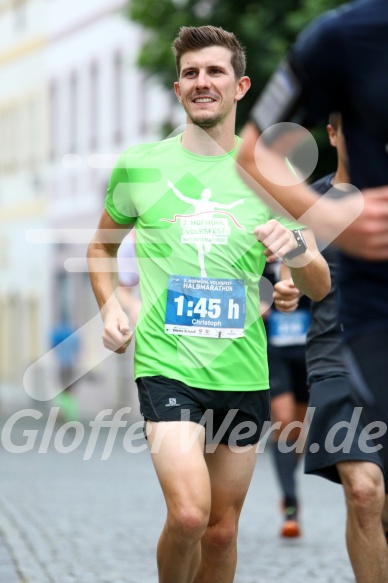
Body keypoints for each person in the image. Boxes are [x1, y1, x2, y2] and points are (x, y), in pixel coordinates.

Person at [87, 25, 330, 583]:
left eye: (215, 71)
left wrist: (294, 249)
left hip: (242, 370)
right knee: (191, 514)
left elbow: (317, 282)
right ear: (178, 89)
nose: (202, 82)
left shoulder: (273, 171)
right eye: (191, 73)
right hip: (166, 365)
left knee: (221, 532)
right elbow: (100, 248)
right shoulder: (142, 165)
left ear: (240, 85)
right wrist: (109, 307)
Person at [236, 0, 388, 528]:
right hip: (338, 343)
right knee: (364, 489)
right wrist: (318, 227)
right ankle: (290, 502)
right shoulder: (343, 36)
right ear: (334, 132)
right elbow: (255, 151)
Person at [273, 113, 388, 582]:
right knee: (363, 492)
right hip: (334, 364)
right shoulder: (309, 204)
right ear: (335, 132)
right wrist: (286, 289)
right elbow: (289, 277)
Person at [262, 260, 310, 538]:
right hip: (273, 350)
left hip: (308, 348)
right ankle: (290, 502)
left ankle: (289, 487)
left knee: (299, 432)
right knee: (283, 420)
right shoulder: (260, 250)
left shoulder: (307, 244)